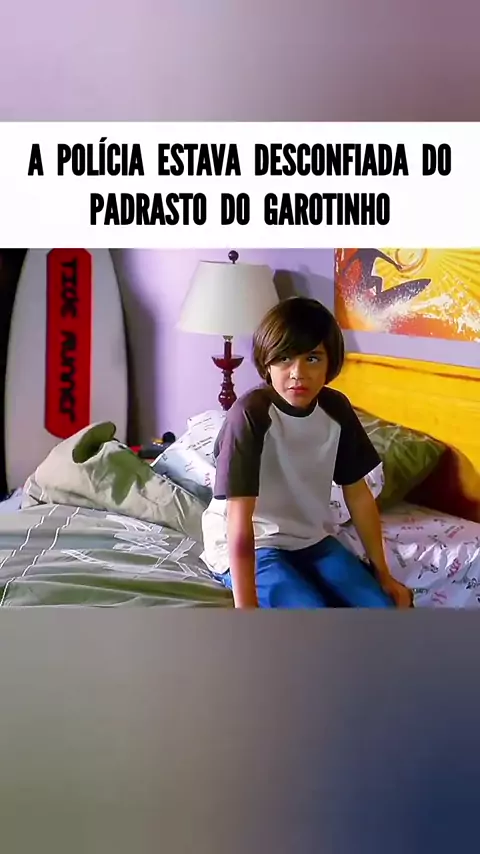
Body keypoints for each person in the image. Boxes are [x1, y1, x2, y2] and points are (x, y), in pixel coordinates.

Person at [201, 296, 413, 610]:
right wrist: (245, 609)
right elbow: (238, 518)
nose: (298, 373)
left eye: (313, 358)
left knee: (381, 607)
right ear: (267, 362)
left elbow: (358, 495)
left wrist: (383, 574)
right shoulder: (249, 414)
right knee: (309, 613)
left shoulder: (336, 409)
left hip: (311, 539)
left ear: (330, 363)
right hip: (257, 541)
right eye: (284, 358)